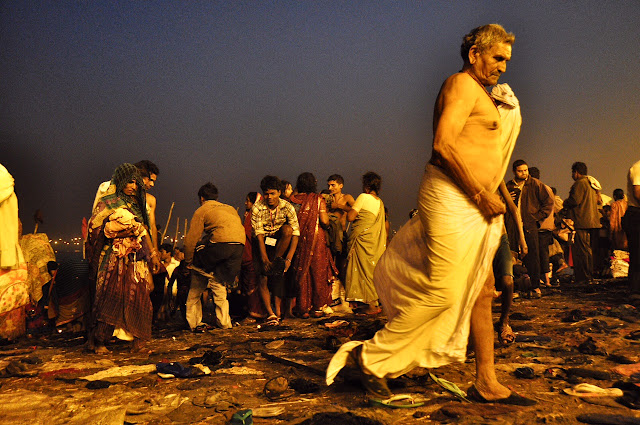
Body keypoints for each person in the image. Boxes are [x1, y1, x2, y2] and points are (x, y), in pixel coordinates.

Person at [327, 24, 535, 406]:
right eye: (497, 58)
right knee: (444, 289)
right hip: (453, 196)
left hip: (478, 205)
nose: (504, 67)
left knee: (483, 290)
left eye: (507, 60)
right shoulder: (460, 85)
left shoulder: (486, 96)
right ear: (475, 54)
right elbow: (442, 145)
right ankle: (371, 358)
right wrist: (477, 192)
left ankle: (486, 381)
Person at [85, 163, 160, 354]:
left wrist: (153, 254)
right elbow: (94, 227)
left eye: (135, 183)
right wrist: (118, 231)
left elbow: (145, 230)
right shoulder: (108, 202)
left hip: (135, 257)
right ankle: (100, 340)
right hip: (112, 257)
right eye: (129, 182)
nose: (133, 186)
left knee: (140, 295)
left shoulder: (137, 204)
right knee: (110, 296)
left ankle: (139, 341)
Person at [183, 183, 245, 331]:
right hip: (238, 247)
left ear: (202, 198)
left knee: (197, 279)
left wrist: (188, 262)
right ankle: (224, 323)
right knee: (219, 283)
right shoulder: (229, 208)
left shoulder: (202, 209)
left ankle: (194, 322)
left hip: (220, 245)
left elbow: (191, 240)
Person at [251, 175, 300, 325]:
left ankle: (279, 311)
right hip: (262, 242)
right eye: (266, 194)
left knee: (287, 230)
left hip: (279, 242)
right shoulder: (257, 207)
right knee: (263, 276)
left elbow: (295, 233)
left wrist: (288, 259)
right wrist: (265, 259)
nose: (269, 197)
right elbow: (259, 235)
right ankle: (271, 313)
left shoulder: (288, 207)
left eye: (273, 193)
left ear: (280, 192)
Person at [289, 172, 338, 318]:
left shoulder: (292, 200)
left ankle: (302, 308)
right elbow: (324, 221)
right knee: (317, 271)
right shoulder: (317, 199)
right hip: (316, 240)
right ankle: (317, 307)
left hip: (297, 240)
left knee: (301, 271)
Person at [505, 161, 553, 298]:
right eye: (521, 171)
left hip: (529, 225)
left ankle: (535, 286)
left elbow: (548, 202)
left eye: (525, 170)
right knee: (512, 256)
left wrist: (537, 219)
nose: (524, 173)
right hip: (512, 225)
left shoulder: (535, 184)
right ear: (514, 171)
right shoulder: (509, 186)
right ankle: (514, 287)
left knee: (533, 256)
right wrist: (505, 199)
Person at [343, 172, 387, 315]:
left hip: (361, 240)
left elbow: (351, 217)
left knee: (362, 272)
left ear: (366, 186)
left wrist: (343, 205)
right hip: (373, 243)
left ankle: (372, 306)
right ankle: (370, 303)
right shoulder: (380, 203)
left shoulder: (363, 197)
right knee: (370, 272)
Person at [563, 162, 602, 285]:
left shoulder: (579, 183)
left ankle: (583, 278)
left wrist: (565, 203)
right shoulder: (592, 183)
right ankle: (588, 276)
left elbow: (575, 200)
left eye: (572, 172)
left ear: (576, 172)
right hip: (592, 222)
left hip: (582, 222)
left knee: (581, 251)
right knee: (587, 251)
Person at [624, 160, 640, 300]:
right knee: (637, 254)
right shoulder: (638, 168)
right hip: (636, 214)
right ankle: (635, 291)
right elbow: (638, 193)